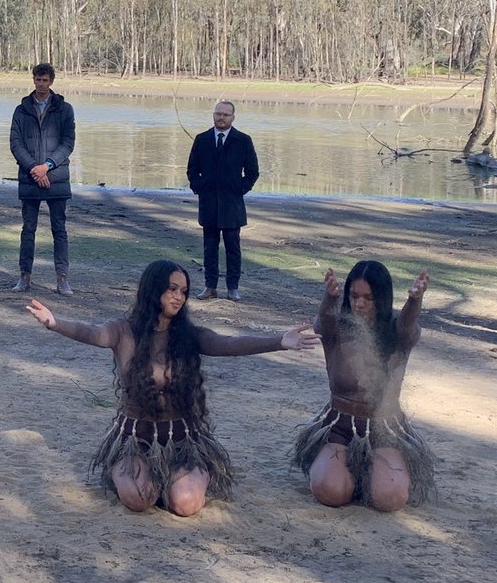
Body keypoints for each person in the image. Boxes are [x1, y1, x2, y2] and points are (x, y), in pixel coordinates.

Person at [26, 259, 319, 516]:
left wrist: (279, 341)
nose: (179, 297)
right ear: (153, 289)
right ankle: (128, 470)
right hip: (136, 440)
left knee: (185, 505)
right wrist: (55, 323)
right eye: (172, 289)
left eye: (184, 291)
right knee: (139, 500)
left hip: (182, 442)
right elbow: (92, 332)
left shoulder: (189, 335)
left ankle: (198, 471)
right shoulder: (123, 331)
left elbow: (228, 343)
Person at [293, 261, 434, 511]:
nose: (359, 304)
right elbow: (323, 322)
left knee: (388, 498)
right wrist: (330, 297)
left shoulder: (397, 329)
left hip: (385, 429)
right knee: (331, 491)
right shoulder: (337, 326)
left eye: (368, 298)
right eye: (354, 296)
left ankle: (378, 473)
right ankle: (343, 471)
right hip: (339, 426)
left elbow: (408, 327)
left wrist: (414, 301)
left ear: (382, 298)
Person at [9, 63, 76, 296]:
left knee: (59, 229)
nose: (41, 84)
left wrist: (46, 167)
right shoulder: (21, 110)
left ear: (52, 81)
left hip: (56, 177)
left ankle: (62, 279)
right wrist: (34, 169)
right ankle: (24, 277)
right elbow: (15, 143)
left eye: (45, 80)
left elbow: (68, 143)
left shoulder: (65, 109)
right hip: (30, 178)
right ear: (33, 80)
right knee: (28, 229)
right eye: (37, 80)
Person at [186, 100, 259, 302]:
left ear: (233, 117)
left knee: (233, 248)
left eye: (226, 115)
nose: (221, 118)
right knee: (209, 247)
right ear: (213, 115)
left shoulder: (243, 140)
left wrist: (240, 189)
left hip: (232, 204)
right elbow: (192, 169)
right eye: (218, 114)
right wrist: (199, 187)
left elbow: (253, 172)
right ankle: (210, 286)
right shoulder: (202, 139)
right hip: (209, 202)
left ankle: (233, 288)